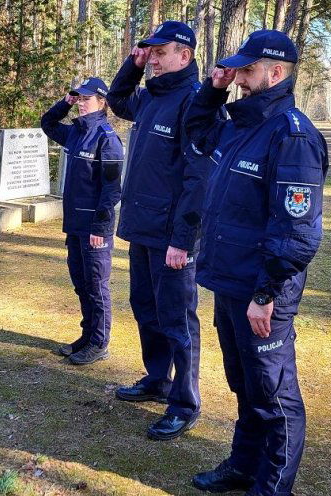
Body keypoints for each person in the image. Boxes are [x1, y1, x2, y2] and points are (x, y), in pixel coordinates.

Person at [183, 30, 328, 495]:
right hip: (229, 282)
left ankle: (273, 487)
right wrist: (213, 87)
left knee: (275, 395)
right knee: (243, 383)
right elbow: (196, 133)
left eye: (247, 70)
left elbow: (297, 231)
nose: (240, 78)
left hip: (263, 292)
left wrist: (266, 294)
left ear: (277, 73)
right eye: (238, 70)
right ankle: (244, 467)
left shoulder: (293, 137)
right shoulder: (239, 124)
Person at [105, 20, 206, 441]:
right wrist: (133, 63)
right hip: (142, 228)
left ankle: (184, 401)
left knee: (177, 318)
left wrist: (183, 240)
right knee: (145, 308)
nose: (154, 59)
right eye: (151, 52)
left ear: (185, 56)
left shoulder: (196, 103)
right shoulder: (149, 98)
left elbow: (198, 178)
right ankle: (157, 379)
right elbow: (116, 99)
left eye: (160, 52)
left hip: (171, 239)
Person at [40, 77, 123, 365]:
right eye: (79, 98)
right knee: (80, 283)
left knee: (97, 286)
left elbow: (112, 189)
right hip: (74, 225)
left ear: (102, 102)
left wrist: (100, 228)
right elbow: (48, 123)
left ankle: (99, 343)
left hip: (94, 230)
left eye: (86, 98)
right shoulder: (76, 133)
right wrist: (65, 102)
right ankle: (87, 337)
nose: (81, 103)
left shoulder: (107, 138)